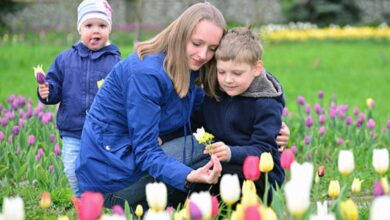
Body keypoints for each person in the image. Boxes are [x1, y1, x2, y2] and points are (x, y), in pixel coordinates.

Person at [76, 2, 289, 210]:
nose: (203, 55)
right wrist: (187, 176)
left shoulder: (194, 66)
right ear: (180, 34)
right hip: (112, 182)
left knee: (213, 147)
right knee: (208, 147)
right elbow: (146, 152)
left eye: (212, 48)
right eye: (197, 43)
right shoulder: (145, 74)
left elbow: (242, 65)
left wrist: (270, 129)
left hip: (136, 160)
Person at [37, 0, 121, 197]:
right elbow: (54, 86)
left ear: (109, 28)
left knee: (99, 170)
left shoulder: (115, 62)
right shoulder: (65, 59)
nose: (95, 31)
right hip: (73, 129)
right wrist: (48, 91)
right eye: (89, 25)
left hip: (102, 131)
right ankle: (82, 200)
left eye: (102, 25)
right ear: (79, 28)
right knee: (71, 169)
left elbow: (121, 93)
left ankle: (100, 200)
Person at [194, 27, 286, 204]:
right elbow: (195, 125)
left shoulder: (266, 102)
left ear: (257, 68)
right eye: (222, 72)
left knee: (227, 181)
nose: (228, 79)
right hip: (221, 164)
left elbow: (264, 149)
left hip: (260, 174)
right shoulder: (214, 93)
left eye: (237, 73)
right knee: (199, 185)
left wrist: (230, 152)